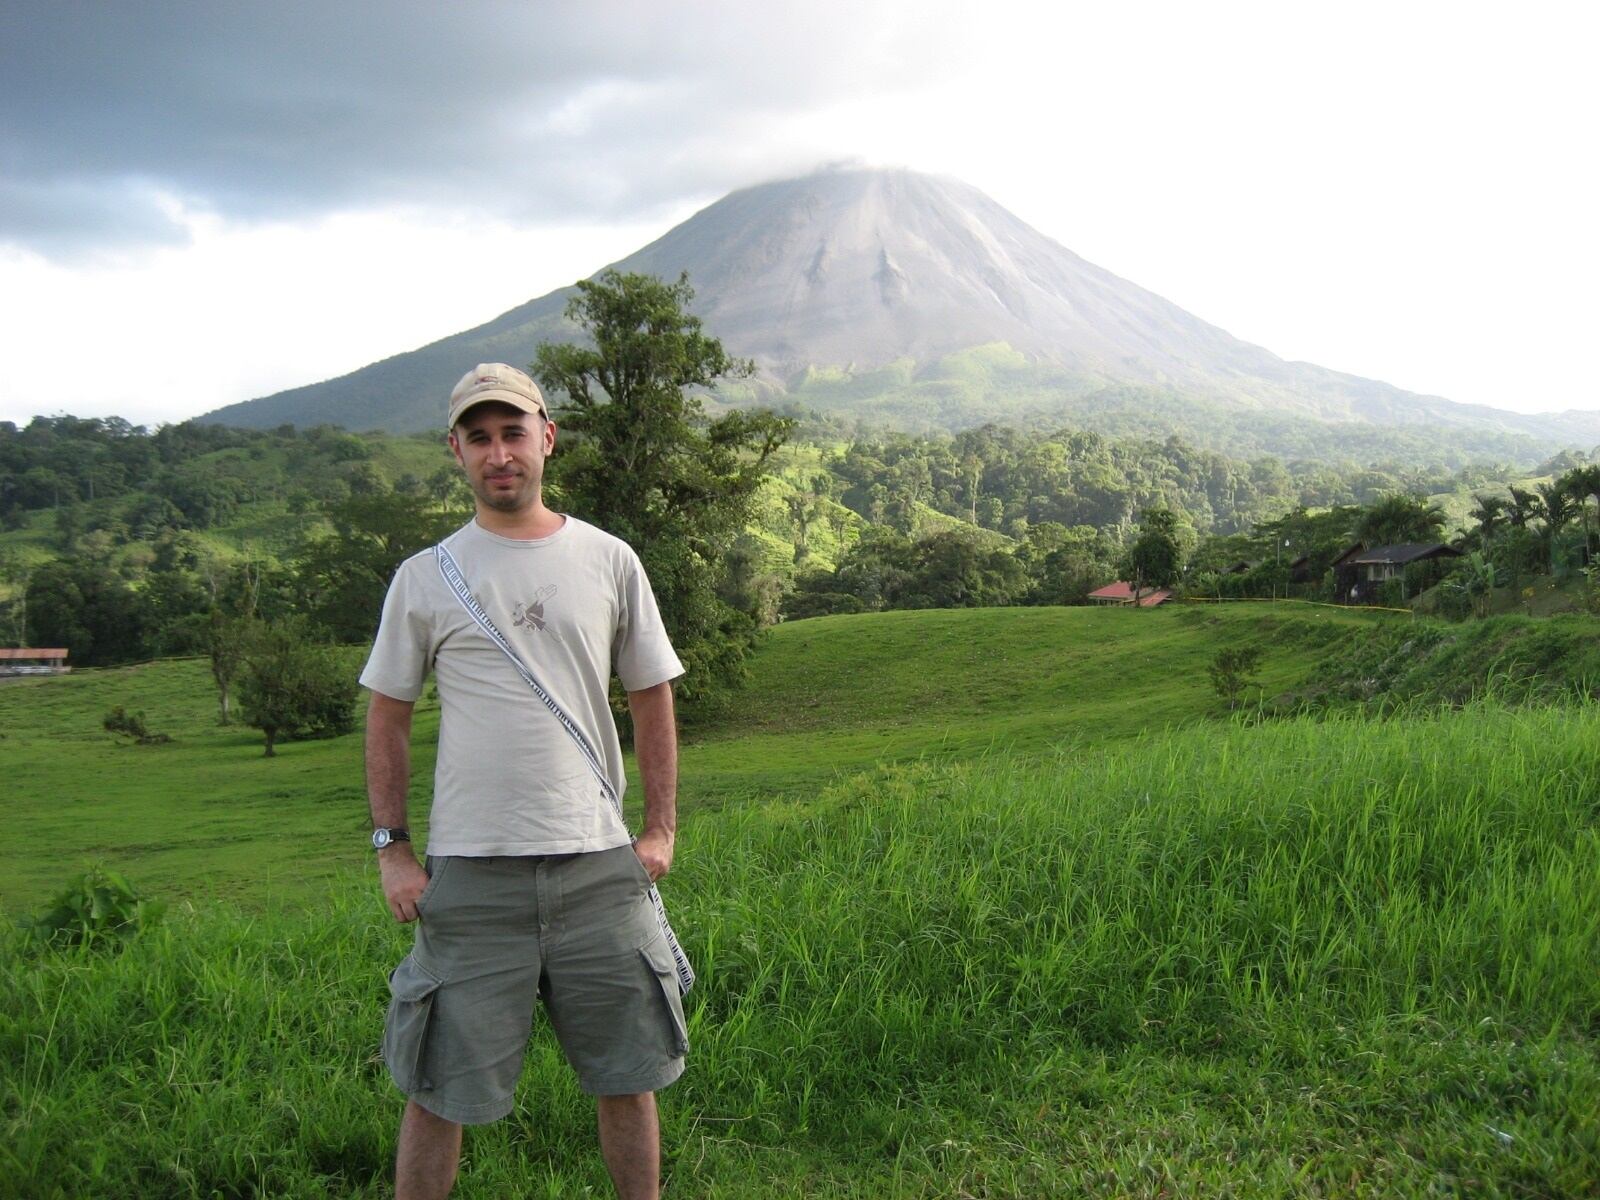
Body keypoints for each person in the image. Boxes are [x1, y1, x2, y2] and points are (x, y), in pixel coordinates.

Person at [360, 362, 688, 1200]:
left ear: (546, 438)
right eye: (480, 437)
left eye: (513, 433)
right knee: (438, 1089)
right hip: (472, 873)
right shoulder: (424, 577)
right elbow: (387, 718)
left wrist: (660, 830)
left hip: (599, 868)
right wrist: (394, 850)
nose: (499, 453)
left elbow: (651, 696)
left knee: (629, 1074)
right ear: (456, 452)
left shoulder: (610, 559)